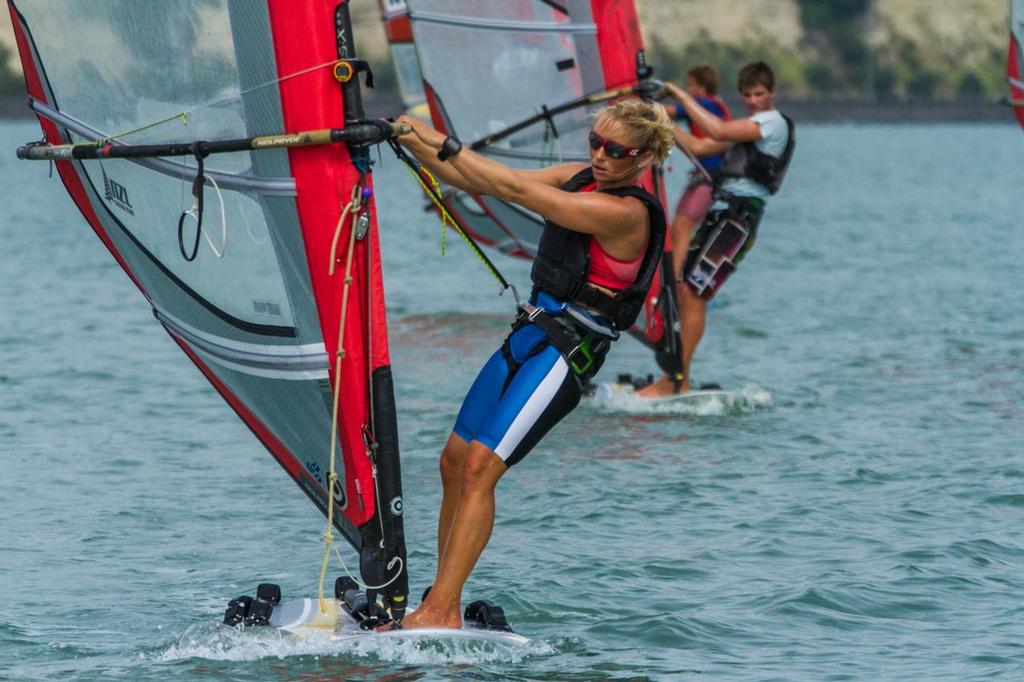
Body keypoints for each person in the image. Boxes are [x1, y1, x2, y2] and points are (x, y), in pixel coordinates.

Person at [387, 99, 673, 630]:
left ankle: (443, 610)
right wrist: (406, 140)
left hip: (568, 354)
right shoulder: (579, 177)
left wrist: (433, 136)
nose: (601, 156)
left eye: (616, 151)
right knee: (452, 462)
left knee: (480, 470)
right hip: (530, 334)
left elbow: (514, 192)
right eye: (595, 143)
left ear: (646, 157)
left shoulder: (627, 213)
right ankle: (437, 596)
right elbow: (480, 177)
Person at [638, 61, 794, 397]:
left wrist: (678, 94)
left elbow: (718, 132)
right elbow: (697, 147)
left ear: (773, 93)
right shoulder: (747, 126)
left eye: (760, 94)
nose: (753, 100)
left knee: (695, 293)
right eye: (748, 95)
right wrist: (658, 117)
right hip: (721, 215)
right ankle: (680, 379)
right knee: (685, 292)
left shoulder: (772, 123)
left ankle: (675, 379)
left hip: (740, 219)